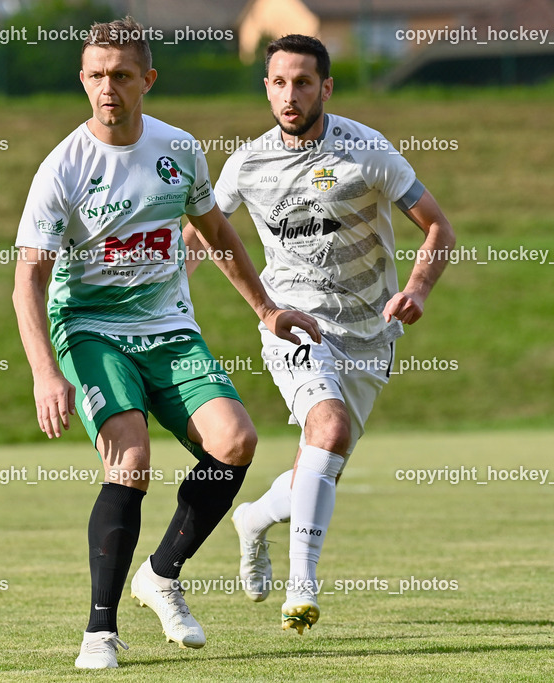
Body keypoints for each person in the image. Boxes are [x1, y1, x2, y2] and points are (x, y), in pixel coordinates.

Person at [11, 17, 320, 670]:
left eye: (121, 75)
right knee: (131, 454)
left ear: (146, 80)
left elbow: (215, 232)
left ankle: (161, 573)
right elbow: (28, 280)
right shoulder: (62, 167)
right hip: (91, 328)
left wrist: (265, 308)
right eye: (95, 75)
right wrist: (45, 372)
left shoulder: (178, 149)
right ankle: (100, 630)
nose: (107, 87)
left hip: (169, 331)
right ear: (82, 80)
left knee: (236, 440)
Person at [184, 34, 456, 634]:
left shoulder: (368, 151)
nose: (290, 94)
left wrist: (416, 289)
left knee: (322, 460)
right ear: (266, 87)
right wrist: (168, 299)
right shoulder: (246, 164)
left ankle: (254, 518)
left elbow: (439, 229)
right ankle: (302, 587)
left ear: (326, 88)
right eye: (278, 82)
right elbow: (199, 235)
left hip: (370, 332)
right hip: (293, 322)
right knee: (326, 429)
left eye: (303, 82)